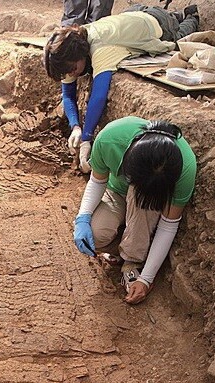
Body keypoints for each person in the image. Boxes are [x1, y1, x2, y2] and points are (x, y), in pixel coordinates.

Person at [44, 5, 199, 172]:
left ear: (81, 55)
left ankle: (189, 15)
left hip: (156, 24)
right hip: (131, 17)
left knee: (178, 39)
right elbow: (67, 94)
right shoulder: (72, 48)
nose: (71, 74)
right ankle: (173, 16)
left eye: (73, 69)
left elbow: (99, 95)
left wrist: (87, 138)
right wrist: (75, 126)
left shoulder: (101, 48)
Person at [73, 116, 196, 304]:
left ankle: (132, 259)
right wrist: (83, 218)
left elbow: (169, 224)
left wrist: (146, 279)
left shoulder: (185, 169)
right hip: (115, 192)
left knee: (140, 198)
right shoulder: (110, 139)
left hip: (150, 202)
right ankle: (127, 244)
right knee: (96, 235)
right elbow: (97, 181)